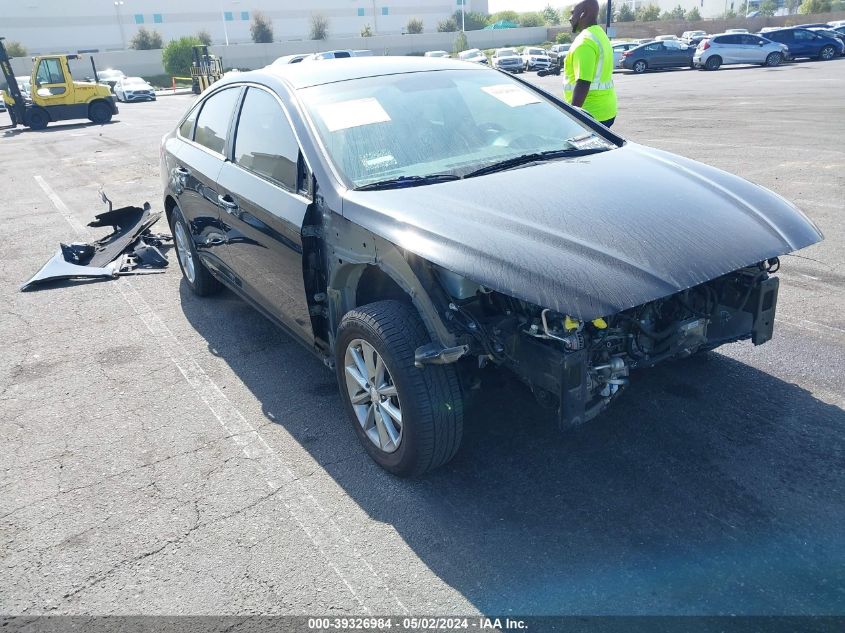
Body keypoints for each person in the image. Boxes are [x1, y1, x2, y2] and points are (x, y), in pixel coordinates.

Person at [563, 0, 618, 128]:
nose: (570, 18)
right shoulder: (600, 35)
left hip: (590, 114)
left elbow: (583, 83)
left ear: (583, 13)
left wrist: (573, 118)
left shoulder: (584, 41)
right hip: (607, 110)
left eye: (573, 13)